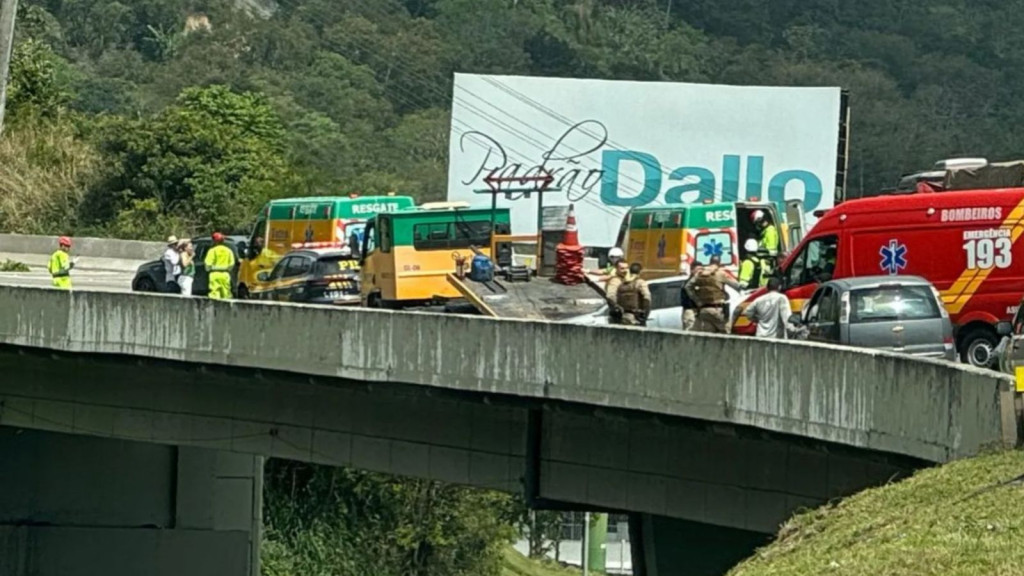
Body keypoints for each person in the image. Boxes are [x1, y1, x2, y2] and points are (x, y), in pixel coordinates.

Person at [685, 255, 739, 333]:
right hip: (717, 309)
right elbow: (736, 285)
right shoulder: (720, 274)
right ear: (719, 263)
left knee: (710, 335)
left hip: (703, 311)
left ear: (710, 262)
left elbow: (688, 286)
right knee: (727, 331)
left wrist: (697, 300)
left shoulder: (700, 273)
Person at [605, 261, 651, 326]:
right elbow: (647, 297)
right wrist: (645, 314)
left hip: (625, 317)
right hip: (631, 318)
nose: (625, 270)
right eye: (622, 268)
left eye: (626, 268)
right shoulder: (616, 281)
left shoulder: (625, 282)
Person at [205, 232, 236, 300]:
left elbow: (207, 264)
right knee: (226, 293)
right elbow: (232, 263)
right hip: (225, 274)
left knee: (214, 293)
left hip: (214, 274)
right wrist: (228, 269)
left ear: (214, 241)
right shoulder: (228, 251)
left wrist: (209, 269)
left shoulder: (212, 251)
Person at [680, 262, 700, 331]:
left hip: (698, 311)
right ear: (692, 270)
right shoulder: (688, 283)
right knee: (690, 333)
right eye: (698, 269)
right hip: (690, 310)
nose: (700, 272)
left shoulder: (699, 282)